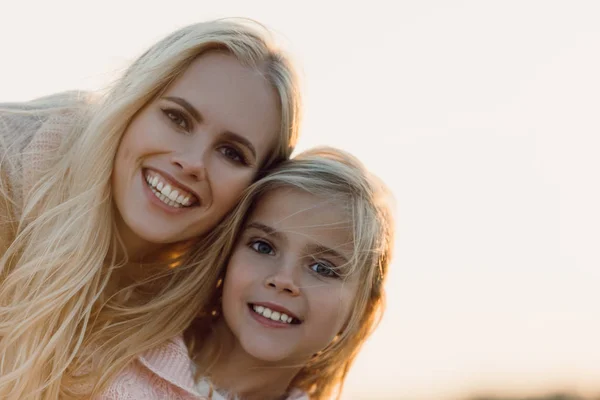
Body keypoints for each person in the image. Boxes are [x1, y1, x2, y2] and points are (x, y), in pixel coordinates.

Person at [0, 18, 302, 400]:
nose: (192, 162)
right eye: (177, 118)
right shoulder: (11, 174)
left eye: (232, 153)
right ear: (134, 102)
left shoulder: (198, 319)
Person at [99, 147, 395, 400]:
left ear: (362, 308)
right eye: (263, 247)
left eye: (323, 268)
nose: (283, 280)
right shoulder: (114, 339)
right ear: (226, 254)